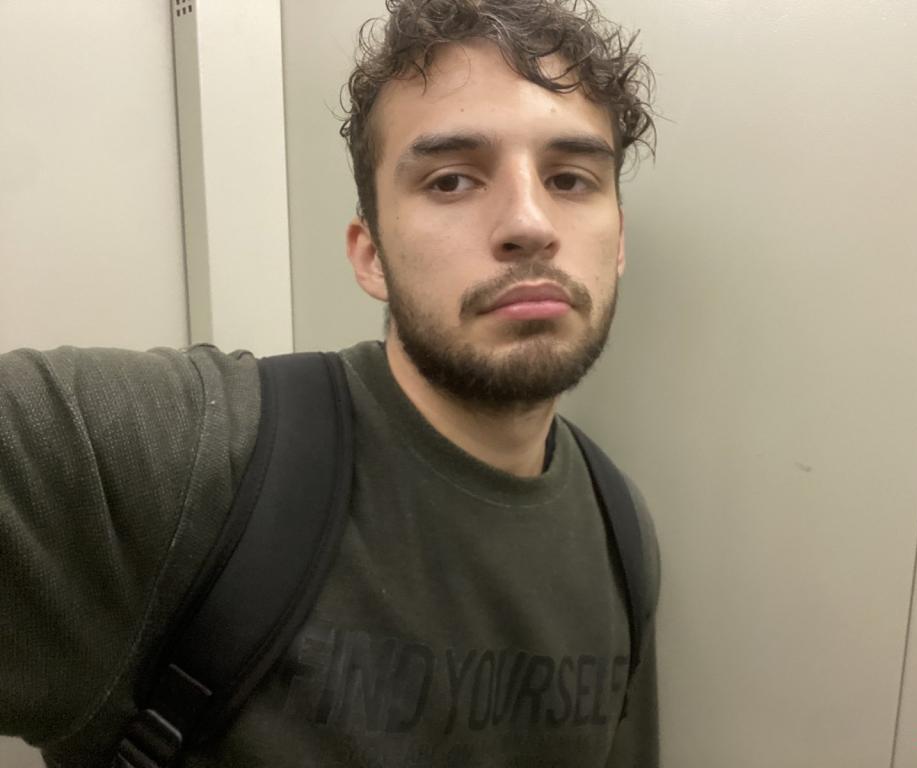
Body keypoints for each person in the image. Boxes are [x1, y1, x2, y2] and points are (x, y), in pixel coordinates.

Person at [0, 0, 661, 765]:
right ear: (369, 255)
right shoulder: (185, 464)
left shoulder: (621, 530)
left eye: (571, 179)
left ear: (618, 243)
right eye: (451, 180)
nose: (530, 224)